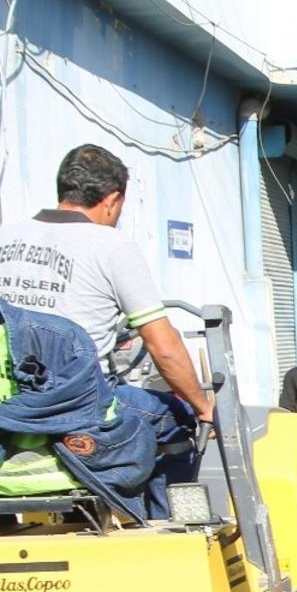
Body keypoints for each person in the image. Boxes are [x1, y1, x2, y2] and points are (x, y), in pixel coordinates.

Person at [0, 144, 212, 518]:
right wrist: (202, 405)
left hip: (13, 406)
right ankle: (172, 529)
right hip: (82, 409)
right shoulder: (112, 246)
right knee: (176, 418)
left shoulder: (7, 238)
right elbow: (164, 348)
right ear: (112, 200)